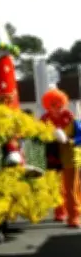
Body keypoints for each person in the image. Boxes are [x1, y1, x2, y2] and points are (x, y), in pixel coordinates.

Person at [41, 88, 81, 228]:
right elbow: (38, 137)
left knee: (71, 188)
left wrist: (71, 141)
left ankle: (74, 215)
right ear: (48, 106)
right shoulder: (44, 120)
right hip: (53, 156)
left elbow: (80, 136)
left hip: (70, 156)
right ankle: (60, 211)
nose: (57, 108)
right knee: (56, 186)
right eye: (53, 105)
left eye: (59, 104)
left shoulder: (72, 119)